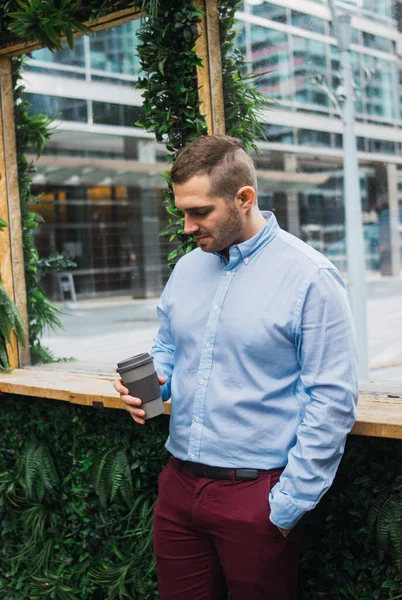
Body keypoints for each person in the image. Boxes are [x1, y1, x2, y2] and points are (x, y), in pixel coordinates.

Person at [113, 135, 358, 600]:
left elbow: (332, 401)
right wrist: (155, 383)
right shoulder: (187, 269)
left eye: (200, 212)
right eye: (181, 211)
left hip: (256, 495)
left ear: (244, 198)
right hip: (179, 486)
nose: (187, 226)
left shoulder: (311, 277)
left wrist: (285, 506)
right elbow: (167, 345)